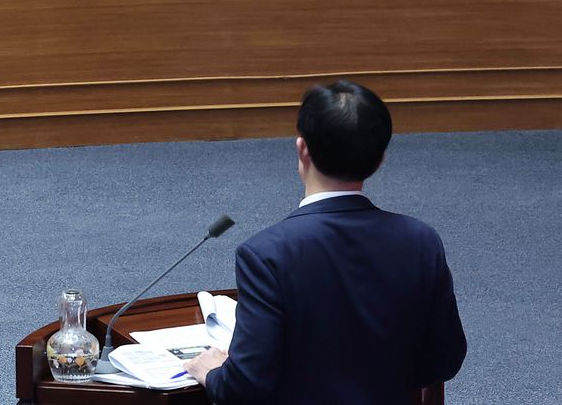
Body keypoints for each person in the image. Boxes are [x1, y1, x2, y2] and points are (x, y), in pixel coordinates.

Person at [183, 81, 467, 404]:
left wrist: (214, 372)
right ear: (380, 159)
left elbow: (244, 387)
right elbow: (445, 358)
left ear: (302, 148)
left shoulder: (266, 254)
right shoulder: (422, 241)